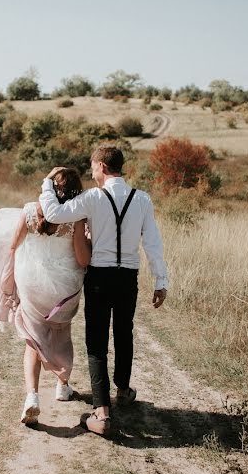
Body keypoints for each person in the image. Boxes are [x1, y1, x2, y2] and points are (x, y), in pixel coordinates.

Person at [40, 145, 169, 436]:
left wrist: (48, 183)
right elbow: (153, 243)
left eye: (92, 166)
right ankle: (122, 390)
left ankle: (101, 411)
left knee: (97, 342)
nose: (91, 171)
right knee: (124, 332)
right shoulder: (142, 199)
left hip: (99, 276)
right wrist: (161, 280)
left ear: (101, 166)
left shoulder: (92, 198)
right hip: (128, 278)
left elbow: (53, 212)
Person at [0, 168, 91, 425]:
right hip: (63, 289)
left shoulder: (29, 212)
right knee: (60, 333)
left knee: (32, 341)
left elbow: (13, 247)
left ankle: (32, 397)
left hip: (32, 285)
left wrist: (9, 280)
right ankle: (62, 386)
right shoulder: (76, 219)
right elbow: (82, 259)